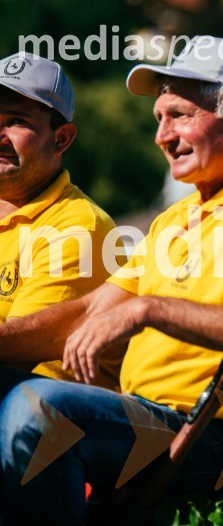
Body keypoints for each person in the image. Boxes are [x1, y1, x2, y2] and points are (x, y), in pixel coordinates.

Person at [0, 36, 223, 524]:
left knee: (36, 410)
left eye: (180, 115)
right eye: (159, 118)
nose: (162, 134)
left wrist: (148, 309)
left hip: (212, 434)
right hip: (146, 416)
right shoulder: (176, 218)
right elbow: (91, 311)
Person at [0, 52, 123, 390]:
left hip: (52, 423)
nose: (0, 133)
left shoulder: (76, 228)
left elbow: (15, 348)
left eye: (16, 121)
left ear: (62, 138)